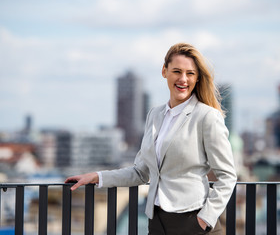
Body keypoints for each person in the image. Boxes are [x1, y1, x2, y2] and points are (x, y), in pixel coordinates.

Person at [65, 42, 237, 234]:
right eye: (177, 71)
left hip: (193, 222)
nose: (183, 79)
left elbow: (228, 176)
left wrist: (206, 218)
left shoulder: (206, 116)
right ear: (164, 71)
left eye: (190, 73)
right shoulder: (154, 115)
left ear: (197, 78)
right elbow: (141, 172)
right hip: (156, 221)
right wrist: (98, 177)